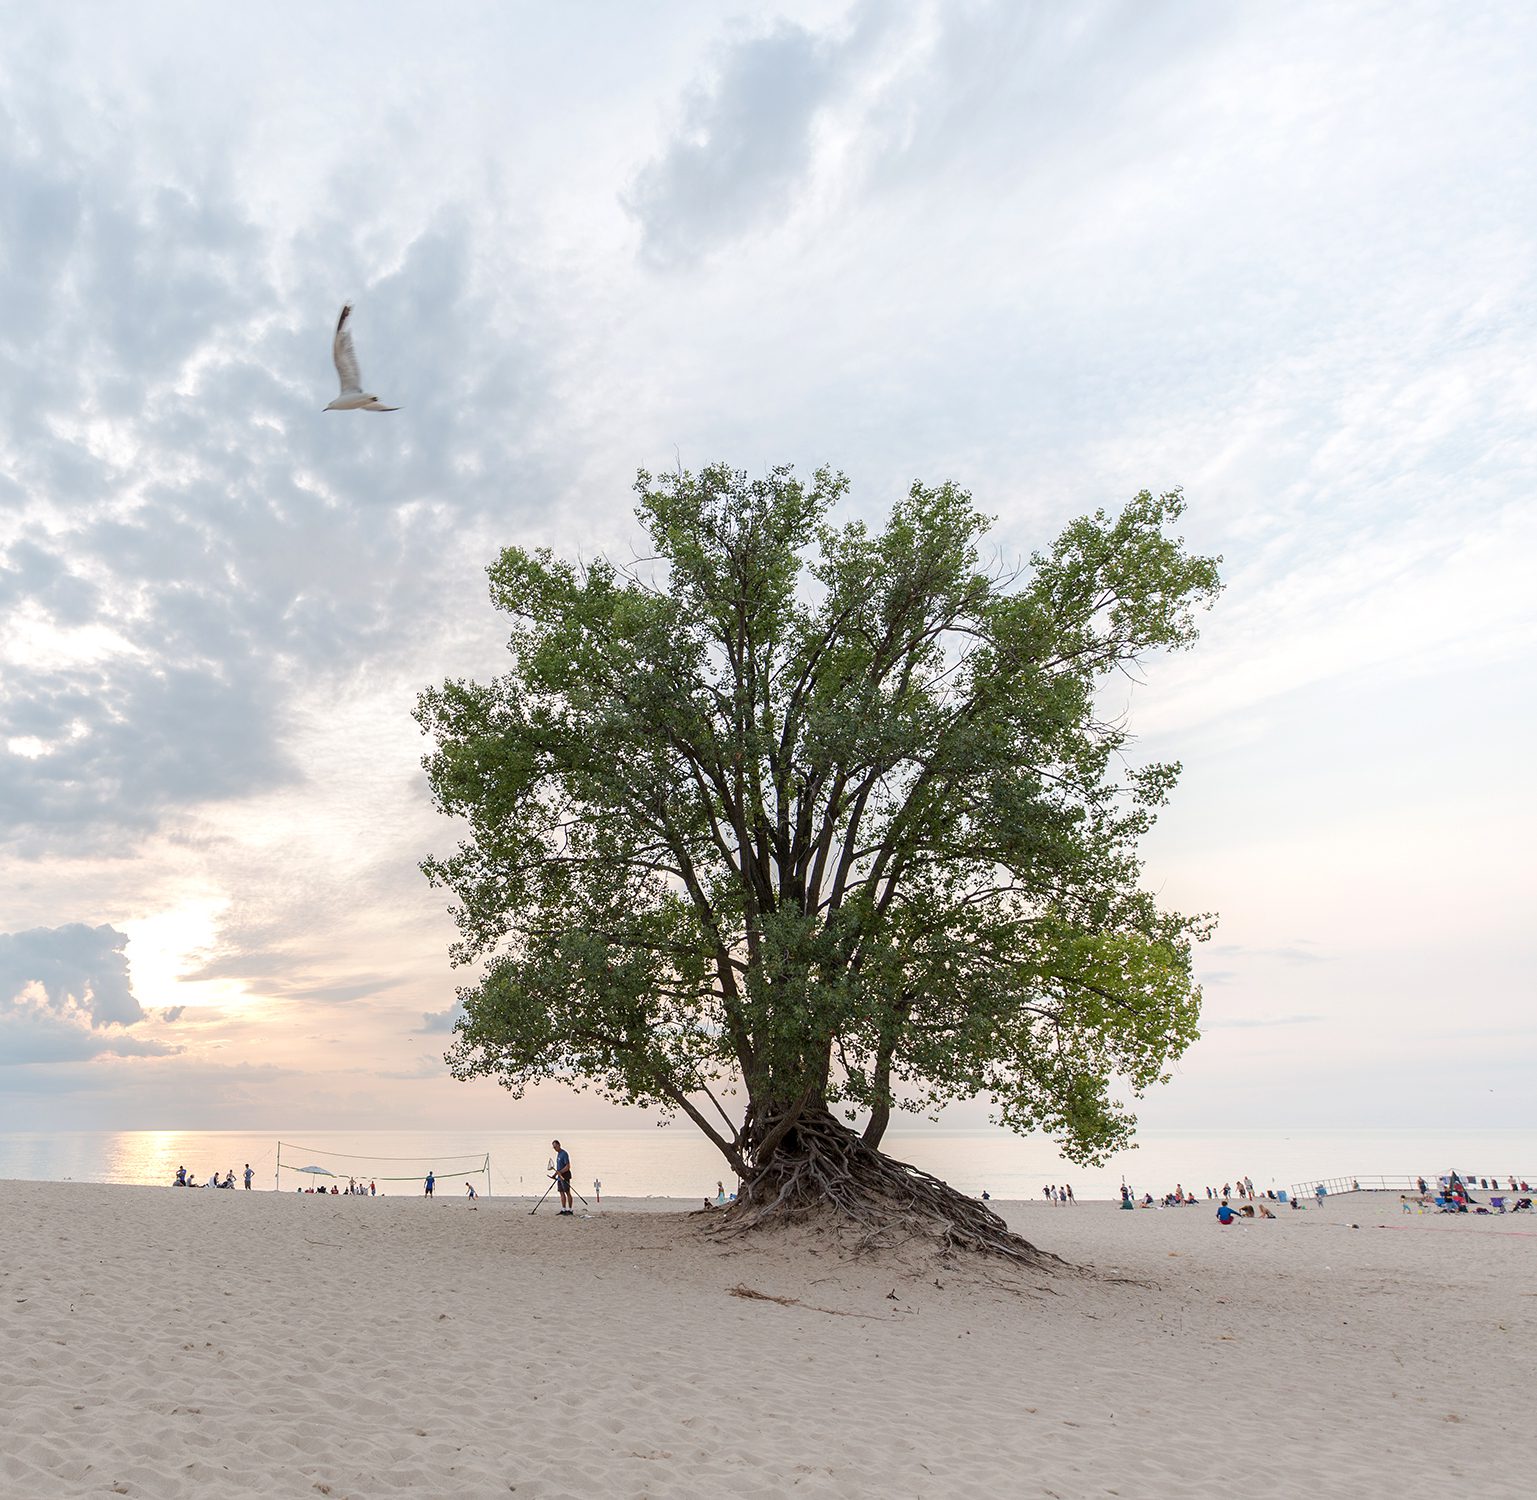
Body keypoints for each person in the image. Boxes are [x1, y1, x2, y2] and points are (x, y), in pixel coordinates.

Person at [552, 1140, 573, 1214]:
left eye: (555, 1146)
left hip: (565, 1176)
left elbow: (568, 1167)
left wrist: (560, 1172)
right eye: (553, 1147)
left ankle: (570, 1210)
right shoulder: (558, 1154)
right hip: (559, 1177)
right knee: (561, 1192)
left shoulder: (564, 1154)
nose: (555, 1148)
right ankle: (563, 1209)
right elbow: (558, 1168)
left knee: (567, 1192)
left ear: (559, 1145)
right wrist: (554, 1175)